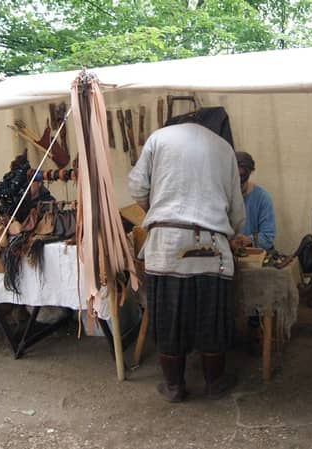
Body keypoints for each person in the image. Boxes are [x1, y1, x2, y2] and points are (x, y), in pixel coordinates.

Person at [128, 122, 245, 402]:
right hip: (212, 245)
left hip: (166, 245)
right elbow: (237, 212)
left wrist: (159, 212)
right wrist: (230, 231)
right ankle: (214, 384)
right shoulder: (223, 147)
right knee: (211, 318)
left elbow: (137, 187)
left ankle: (174, 386)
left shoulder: (158, 138)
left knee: (169, 318)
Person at [233, 152, 276, 251]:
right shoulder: (223, 196)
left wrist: (248, 240)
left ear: (250, 172)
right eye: (235, 178)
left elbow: (268, 237)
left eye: (243, 177)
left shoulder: (262, 197)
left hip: (252, 253)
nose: (239, 183)